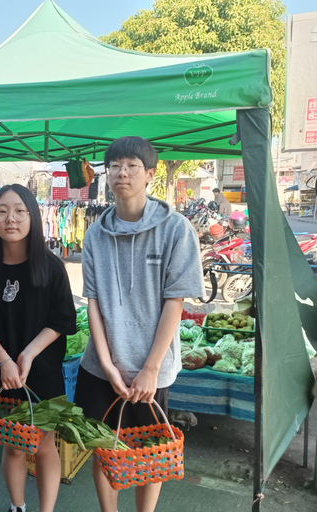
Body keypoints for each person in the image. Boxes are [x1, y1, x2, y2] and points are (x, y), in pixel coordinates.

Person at [75, 136, 203, 512]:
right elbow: (94, 304)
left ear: (150, 174)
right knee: (104, 446)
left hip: (153, 372)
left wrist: (149, 369)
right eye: (114, 166)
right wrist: (108, 365)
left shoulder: (176, 229)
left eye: (131, 166)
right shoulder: (96, 234)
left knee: (151, 451)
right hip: (101, 369)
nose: (122, 173)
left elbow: (174, 303)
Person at [0, 184, 76, 512]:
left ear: (33, 217)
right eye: (2, 211)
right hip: (2, 373)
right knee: (14, 446)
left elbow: (63, 319)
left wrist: (29, 353)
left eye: (20, 211)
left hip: (44, 372)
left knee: (45, 445)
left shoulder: (50, 267)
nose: (11, 219)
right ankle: (17, 506)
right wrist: (5, 359)